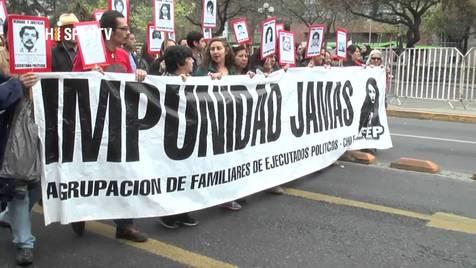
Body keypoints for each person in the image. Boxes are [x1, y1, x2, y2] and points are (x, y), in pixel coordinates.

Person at [71, 10, 148, 242]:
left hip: (118, 122)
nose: (127, 32)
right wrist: (88, 74)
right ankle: (79, 210)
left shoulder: (125, 55)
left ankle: (125, 225)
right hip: (91, 124)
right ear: (108, 31)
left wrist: (140, 74)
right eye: (123, 28)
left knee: (122, 171)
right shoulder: (89, 53)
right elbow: (70, 84)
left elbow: (131, 83)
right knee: (90, 170)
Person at [0, 20, 40, 266]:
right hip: (9, 138)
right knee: (20, 189)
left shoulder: (38, 59)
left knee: (36, 184)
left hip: (32, 132)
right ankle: (25, 242)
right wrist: (17, 84)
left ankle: (8, 215)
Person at [158, 46, 200, 228]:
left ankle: (183, 211)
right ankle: (168, 214)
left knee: (186, 173)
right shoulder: (161, 82)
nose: (193, 61)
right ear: (180, 63)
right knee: (170, 174)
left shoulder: (191, 80)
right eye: (190, 58)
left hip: (186, 135)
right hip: (169, 137)